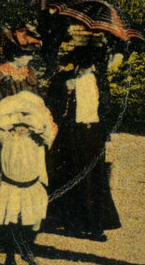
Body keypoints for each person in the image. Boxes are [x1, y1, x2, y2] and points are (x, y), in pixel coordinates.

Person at [45, 37, 121, 241]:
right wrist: (65, 90)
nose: (88, 68)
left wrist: (106, 133)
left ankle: (95, 225)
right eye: (85, 64)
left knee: (94, 179)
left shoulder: (99, 80)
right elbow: (52, 103)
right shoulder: (65, 79)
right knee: (71, 176)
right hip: (72, 133)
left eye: (92, 64)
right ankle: (71, 223)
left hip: (93, 133)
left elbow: (106, 108)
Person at [0, 90, 56, 265]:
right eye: (17, 125)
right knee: (11, 222)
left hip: (31, 187)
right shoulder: (6, 138)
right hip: (11, 188)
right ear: (11, 127)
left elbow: (49, 132)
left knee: (31, 223)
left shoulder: (37, 141)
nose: (21, 128)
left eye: (25, 125)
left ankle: (27, 251)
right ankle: (10, 256)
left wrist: (37, 119)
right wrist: (8, 116)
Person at [0, 24, 43, 189]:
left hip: (28, 127)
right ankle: (4, 209)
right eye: (28, 55)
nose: (30, 58)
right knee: (6, 165)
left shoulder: (29, 73)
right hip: (7, 128)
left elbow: (37, 101)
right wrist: (10, 125)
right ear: (16, 54)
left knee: (28, 167)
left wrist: (31, 123)